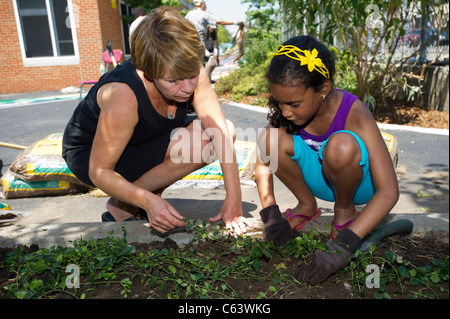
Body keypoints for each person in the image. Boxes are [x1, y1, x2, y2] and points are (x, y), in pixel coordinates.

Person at [62, 7, 251, 236]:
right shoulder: (123, 95)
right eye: (173, 81)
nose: (188, 88)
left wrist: (234, 199)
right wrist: (147, 201)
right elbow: (99, 171)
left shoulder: (186, 67)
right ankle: (126, 204)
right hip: (95, 154)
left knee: (222, 132)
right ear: (149, 73)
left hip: (142, 137)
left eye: (191, 76)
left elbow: (220, 132)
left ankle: (124, 202)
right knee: (196, 145)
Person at [255, 35, 399, 284]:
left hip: (359, 184)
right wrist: (270, 217)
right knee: (268, 137)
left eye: (294, 104)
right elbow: (263, 161)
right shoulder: (289, 110)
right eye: (280, 102)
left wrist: (347, 243)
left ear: (323, 88)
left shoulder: (354, 111)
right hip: (320, 177)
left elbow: (389, 192)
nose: (286, 112)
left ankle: (344, 213)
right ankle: (306, 205)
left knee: (340, 146)